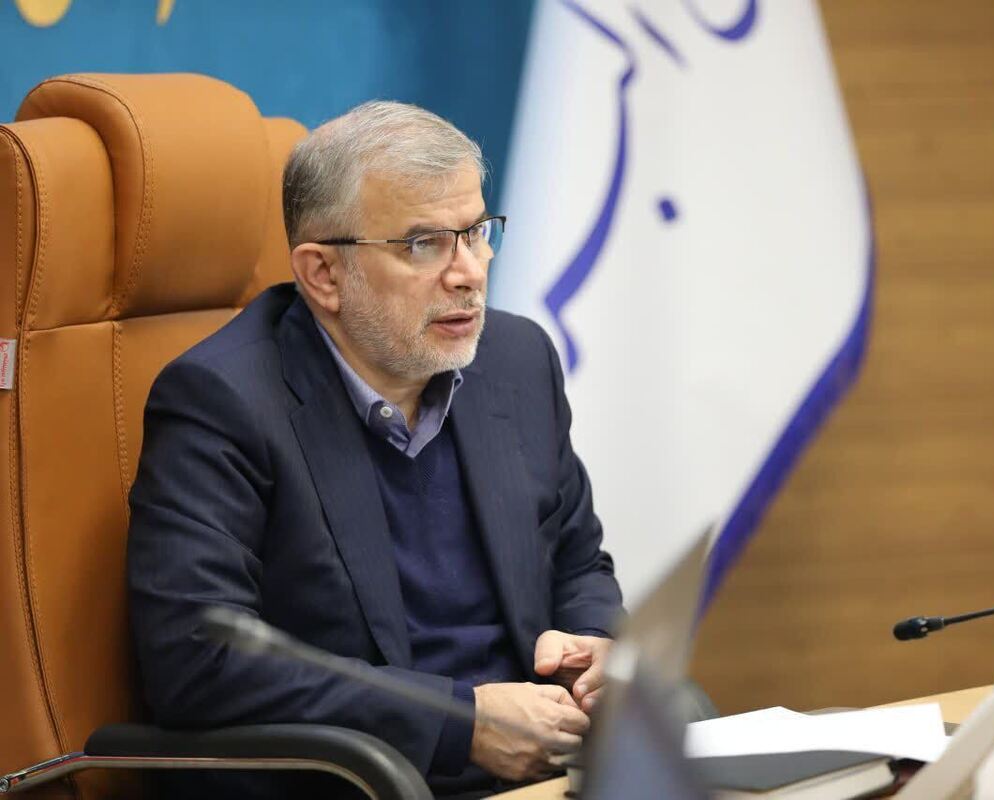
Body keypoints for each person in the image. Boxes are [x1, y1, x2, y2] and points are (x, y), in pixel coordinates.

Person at [126, 101, 624, 799]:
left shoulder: (516, 359)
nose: (469, 273)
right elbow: (200, 657)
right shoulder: (223, 402)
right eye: (424, 244)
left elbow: (576, 559)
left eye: (476, 233)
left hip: (551, 771)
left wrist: (593, 646)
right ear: (324, 276)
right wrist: (457, 722)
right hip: (376, 783)